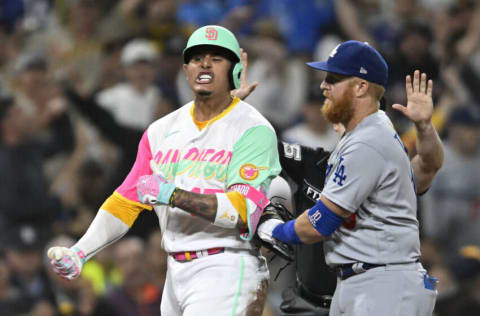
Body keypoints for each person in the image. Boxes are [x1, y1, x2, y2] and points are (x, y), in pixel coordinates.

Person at [47, 25, 281, 316]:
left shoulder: (253, 130)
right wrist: (81, 252)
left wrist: (172, 194)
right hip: (175, 270)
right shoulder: (161, 130)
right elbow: (124, 201)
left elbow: (243, 210)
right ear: (185, 70)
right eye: (197, 58)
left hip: (225, 266)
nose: (205, 64)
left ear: (235, 70)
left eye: (217, 58)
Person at [259, 40, 444, 316]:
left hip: (383, 284)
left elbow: (319, 224)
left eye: (333, 79)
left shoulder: (368, 142)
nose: (323, 86)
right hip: (365, 281)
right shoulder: (363, 137)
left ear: (360, 87)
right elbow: (424, 170)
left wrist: (273, 230)